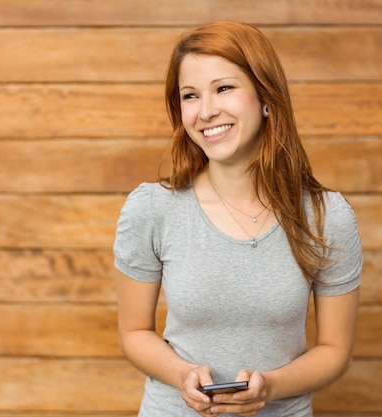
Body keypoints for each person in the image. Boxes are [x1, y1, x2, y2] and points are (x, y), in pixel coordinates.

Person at [113, 21, 362, 417]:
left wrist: (271, 387)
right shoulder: (151, 209)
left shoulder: (326, 217)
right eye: (190, 96)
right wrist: (182, 375)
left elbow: (335, 350)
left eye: (224, 88)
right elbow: (134, 332)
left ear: (265, 97)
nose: (207, 111)